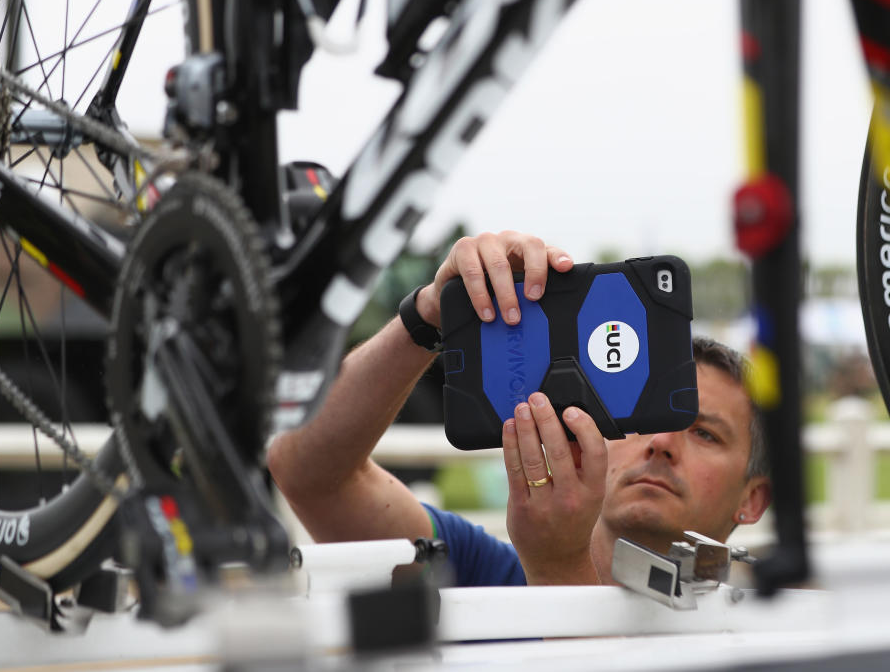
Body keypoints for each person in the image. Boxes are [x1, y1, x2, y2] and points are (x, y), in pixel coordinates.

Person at [266, 231, 772, 586]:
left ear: (753, 499)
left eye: (704, 433)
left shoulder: (766, 633)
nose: (662, 442)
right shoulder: (481, 572)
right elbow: (307, 473)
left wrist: (558, 567)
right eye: (648, 414)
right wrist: (429, 317)